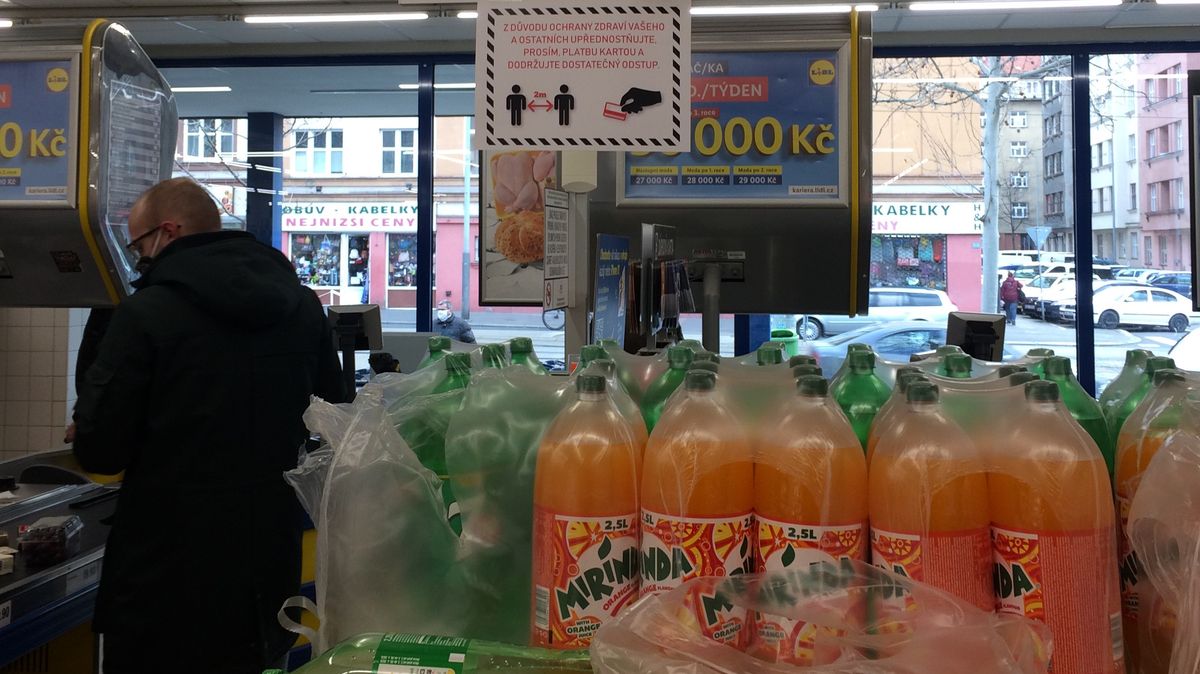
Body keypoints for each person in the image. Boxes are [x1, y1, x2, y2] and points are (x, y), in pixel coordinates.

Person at [72, 178, 347, 674]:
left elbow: (100, 451)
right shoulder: (302, 307)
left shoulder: (145, 314)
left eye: (139, 246)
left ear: (168, 232)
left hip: (164, 580)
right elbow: (335, 413)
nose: (139, 259)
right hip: (266, 569)